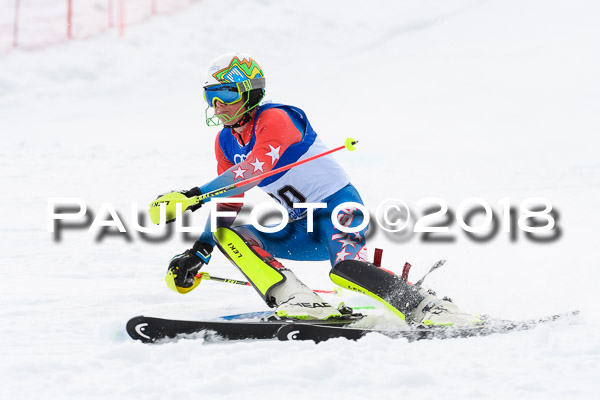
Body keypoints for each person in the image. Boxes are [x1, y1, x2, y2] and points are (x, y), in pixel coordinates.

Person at [162, 53, 478, 326]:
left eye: (227, 95)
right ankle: (299, 300)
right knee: (230, 235)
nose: (218, 106)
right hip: (303, 228)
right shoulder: (225, 142)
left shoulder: (277, 118)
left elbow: (252, 173)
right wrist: (198, 253)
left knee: (346, 271)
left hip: (340, 213)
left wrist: (192, 195)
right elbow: (230, 202)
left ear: (250, 93)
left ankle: (429, 306)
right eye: (210, 96)